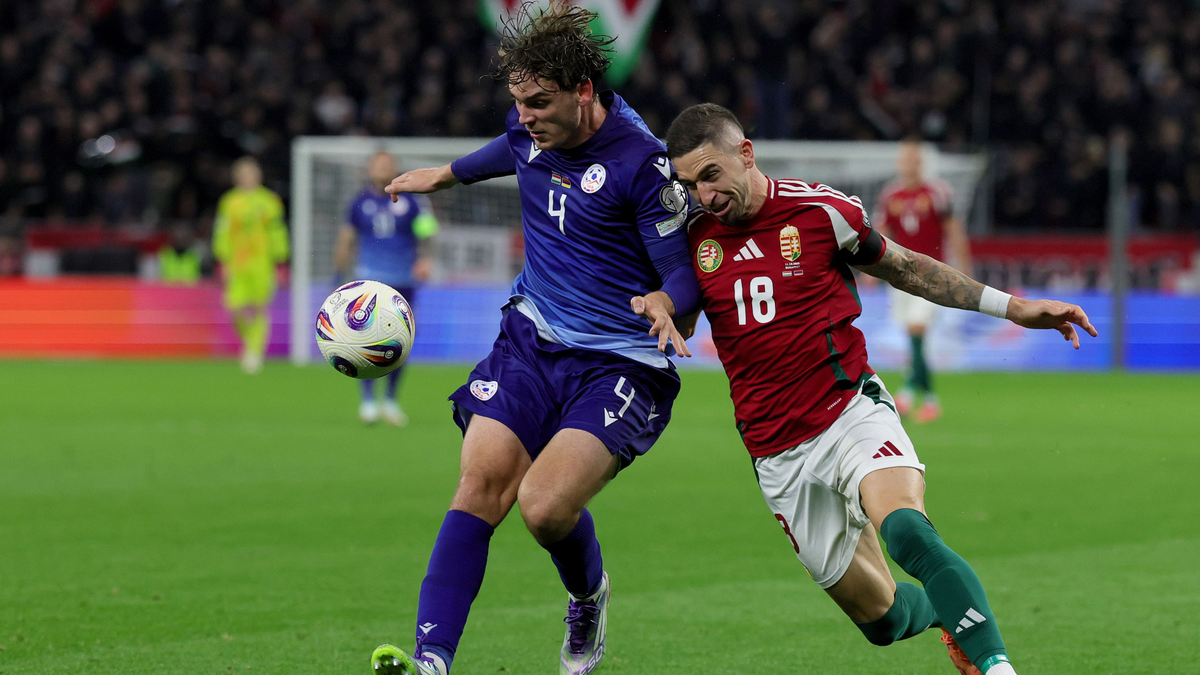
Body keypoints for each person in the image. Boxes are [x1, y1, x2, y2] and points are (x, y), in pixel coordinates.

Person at [658, 103, 1096, 675]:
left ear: (745, 154)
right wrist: (659, 305)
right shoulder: (691, 237)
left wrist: (1013, 307)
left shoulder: (821, 212)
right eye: (691, 185)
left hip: (849, 413)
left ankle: (996, 666)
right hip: (774, 451)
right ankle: (944, 614)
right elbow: (679, 307)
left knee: (907, 529)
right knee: (883, 622)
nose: (705, 195)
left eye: (711, 175)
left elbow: (908, 269)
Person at [370, 4, 699, 675]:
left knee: (544, 508)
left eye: (539, 103)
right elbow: (507, 148)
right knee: (480, 483)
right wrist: (446, 173)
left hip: (620, 362)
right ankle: (432, 659)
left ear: (584, 92)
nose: (525, 117)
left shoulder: (642, 163)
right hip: (532, 338)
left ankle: (588, 594)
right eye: (518, 103)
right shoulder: (531, 128)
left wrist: (668, 301)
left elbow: (683, 273)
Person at [334, 151, 438, 426]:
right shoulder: (359, 202)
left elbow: (427, 233)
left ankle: (390, 400)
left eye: (387, 164)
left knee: (400, 342)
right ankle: (368, 400)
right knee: (365, 339)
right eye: (378, 164)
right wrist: (338, 275)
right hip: (369, 279)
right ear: (370, 169)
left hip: (403, 279)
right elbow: (346, 239)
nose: (383, 168)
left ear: (395, 168)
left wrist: (426, 259)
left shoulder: (413, 201)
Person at [873, 141, 972, 422]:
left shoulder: (936, 192)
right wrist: (870, 270)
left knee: (917, 328)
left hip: (932, 274)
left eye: (914, 159)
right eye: (905, 159)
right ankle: (926, 399)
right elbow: (880, 232)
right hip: (900, 275)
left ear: (921, 163)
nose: (910, 165)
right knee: (913, 336)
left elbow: (953, 229)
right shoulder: (890, 195)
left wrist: (964, 266)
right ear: (899, 164)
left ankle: (907, 397)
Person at [211, 157, 289, 374]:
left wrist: (280, 260)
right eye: (243, 174)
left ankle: (254, 351)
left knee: (258, 307)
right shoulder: (229, 201)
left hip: (262, 262)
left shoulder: (269, 201)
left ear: (258, 175)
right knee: (234, 307)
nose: (248, 178)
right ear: (237, 177)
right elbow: (222, 231)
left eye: (251, 173)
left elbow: (277, 231)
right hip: (237, 262)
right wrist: (222, 259)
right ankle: (250, 341)